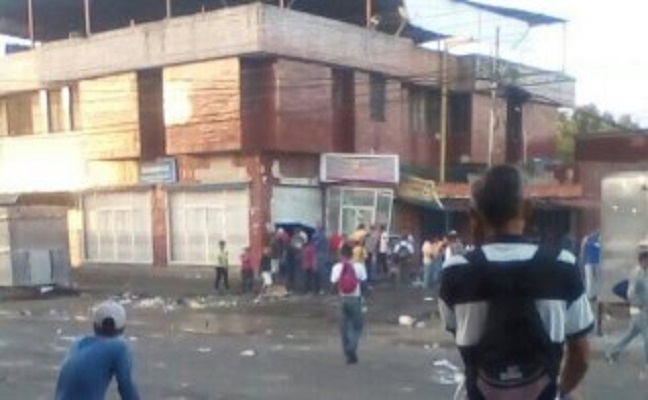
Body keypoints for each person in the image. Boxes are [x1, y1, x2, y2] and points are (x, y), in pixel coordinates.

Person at [439, 165, 593, 400]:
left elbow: (457, 330)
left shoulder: (456, 271)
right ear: (528, 209)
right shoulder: (563, 264)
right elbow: (581, 355)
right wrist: (561, 391)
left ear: (474, 215)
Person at [55, 301, 140, 400]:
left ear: (95, 326)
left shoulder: (77, 342)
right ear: (122, 329)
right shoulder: (119, 347)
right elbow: (126, 388)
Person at [605, 242, 648, 379]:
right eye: (646, 260)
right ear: (642, 260)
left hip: (642, 310)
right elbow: (630, 293)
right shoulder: (637, 274)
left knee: (631, 334)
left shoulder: (644, 272)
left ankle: (611, 353)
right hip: (641, 311)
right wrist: (637, 304)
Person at [331, 243, 368, 365]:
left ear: (341, 254)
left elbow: (333, 284)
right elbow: (364, 284)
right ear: (352, 254)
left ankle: (348, 355)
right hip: (355, 299)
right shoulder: (359, 267)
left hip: (342, 299)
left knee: (344, 327)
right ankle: (352, 348)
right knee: (357, 326)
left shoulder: (336, 267)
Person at [580, 231, 601, 301]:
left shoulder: (597, 240)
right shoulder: (587, 240)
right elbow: (583, 250)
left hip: (593, 261)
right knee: (591, 279)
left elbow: (582, 250)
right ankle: (590, 295)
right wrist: (583, 258)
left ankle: (592, 295)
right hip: (590, 261)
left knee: (593, 279)